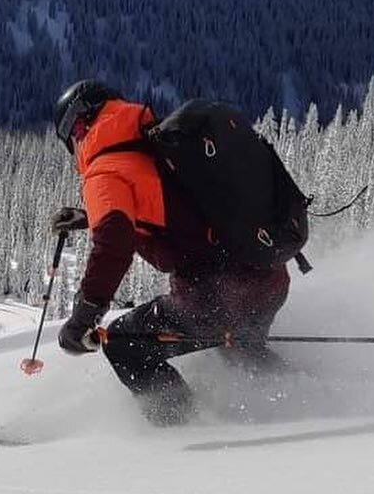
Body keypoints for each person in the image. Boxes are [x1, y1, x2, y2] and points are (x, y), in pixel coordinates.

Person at [51, 80, 291, 425]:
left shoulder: (104, 168)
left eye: (71, 135)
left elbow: (114, 240)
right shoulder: (155, 140)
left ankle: (184, 431)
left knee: (123, 344)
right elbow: (169, 205)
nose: (74, 143)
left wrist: (84, 316)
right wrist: (91, 217)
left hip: (215, 294)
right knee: (239, 348)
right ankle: (314, 396)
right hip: (266, 274)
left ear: (80, 123)